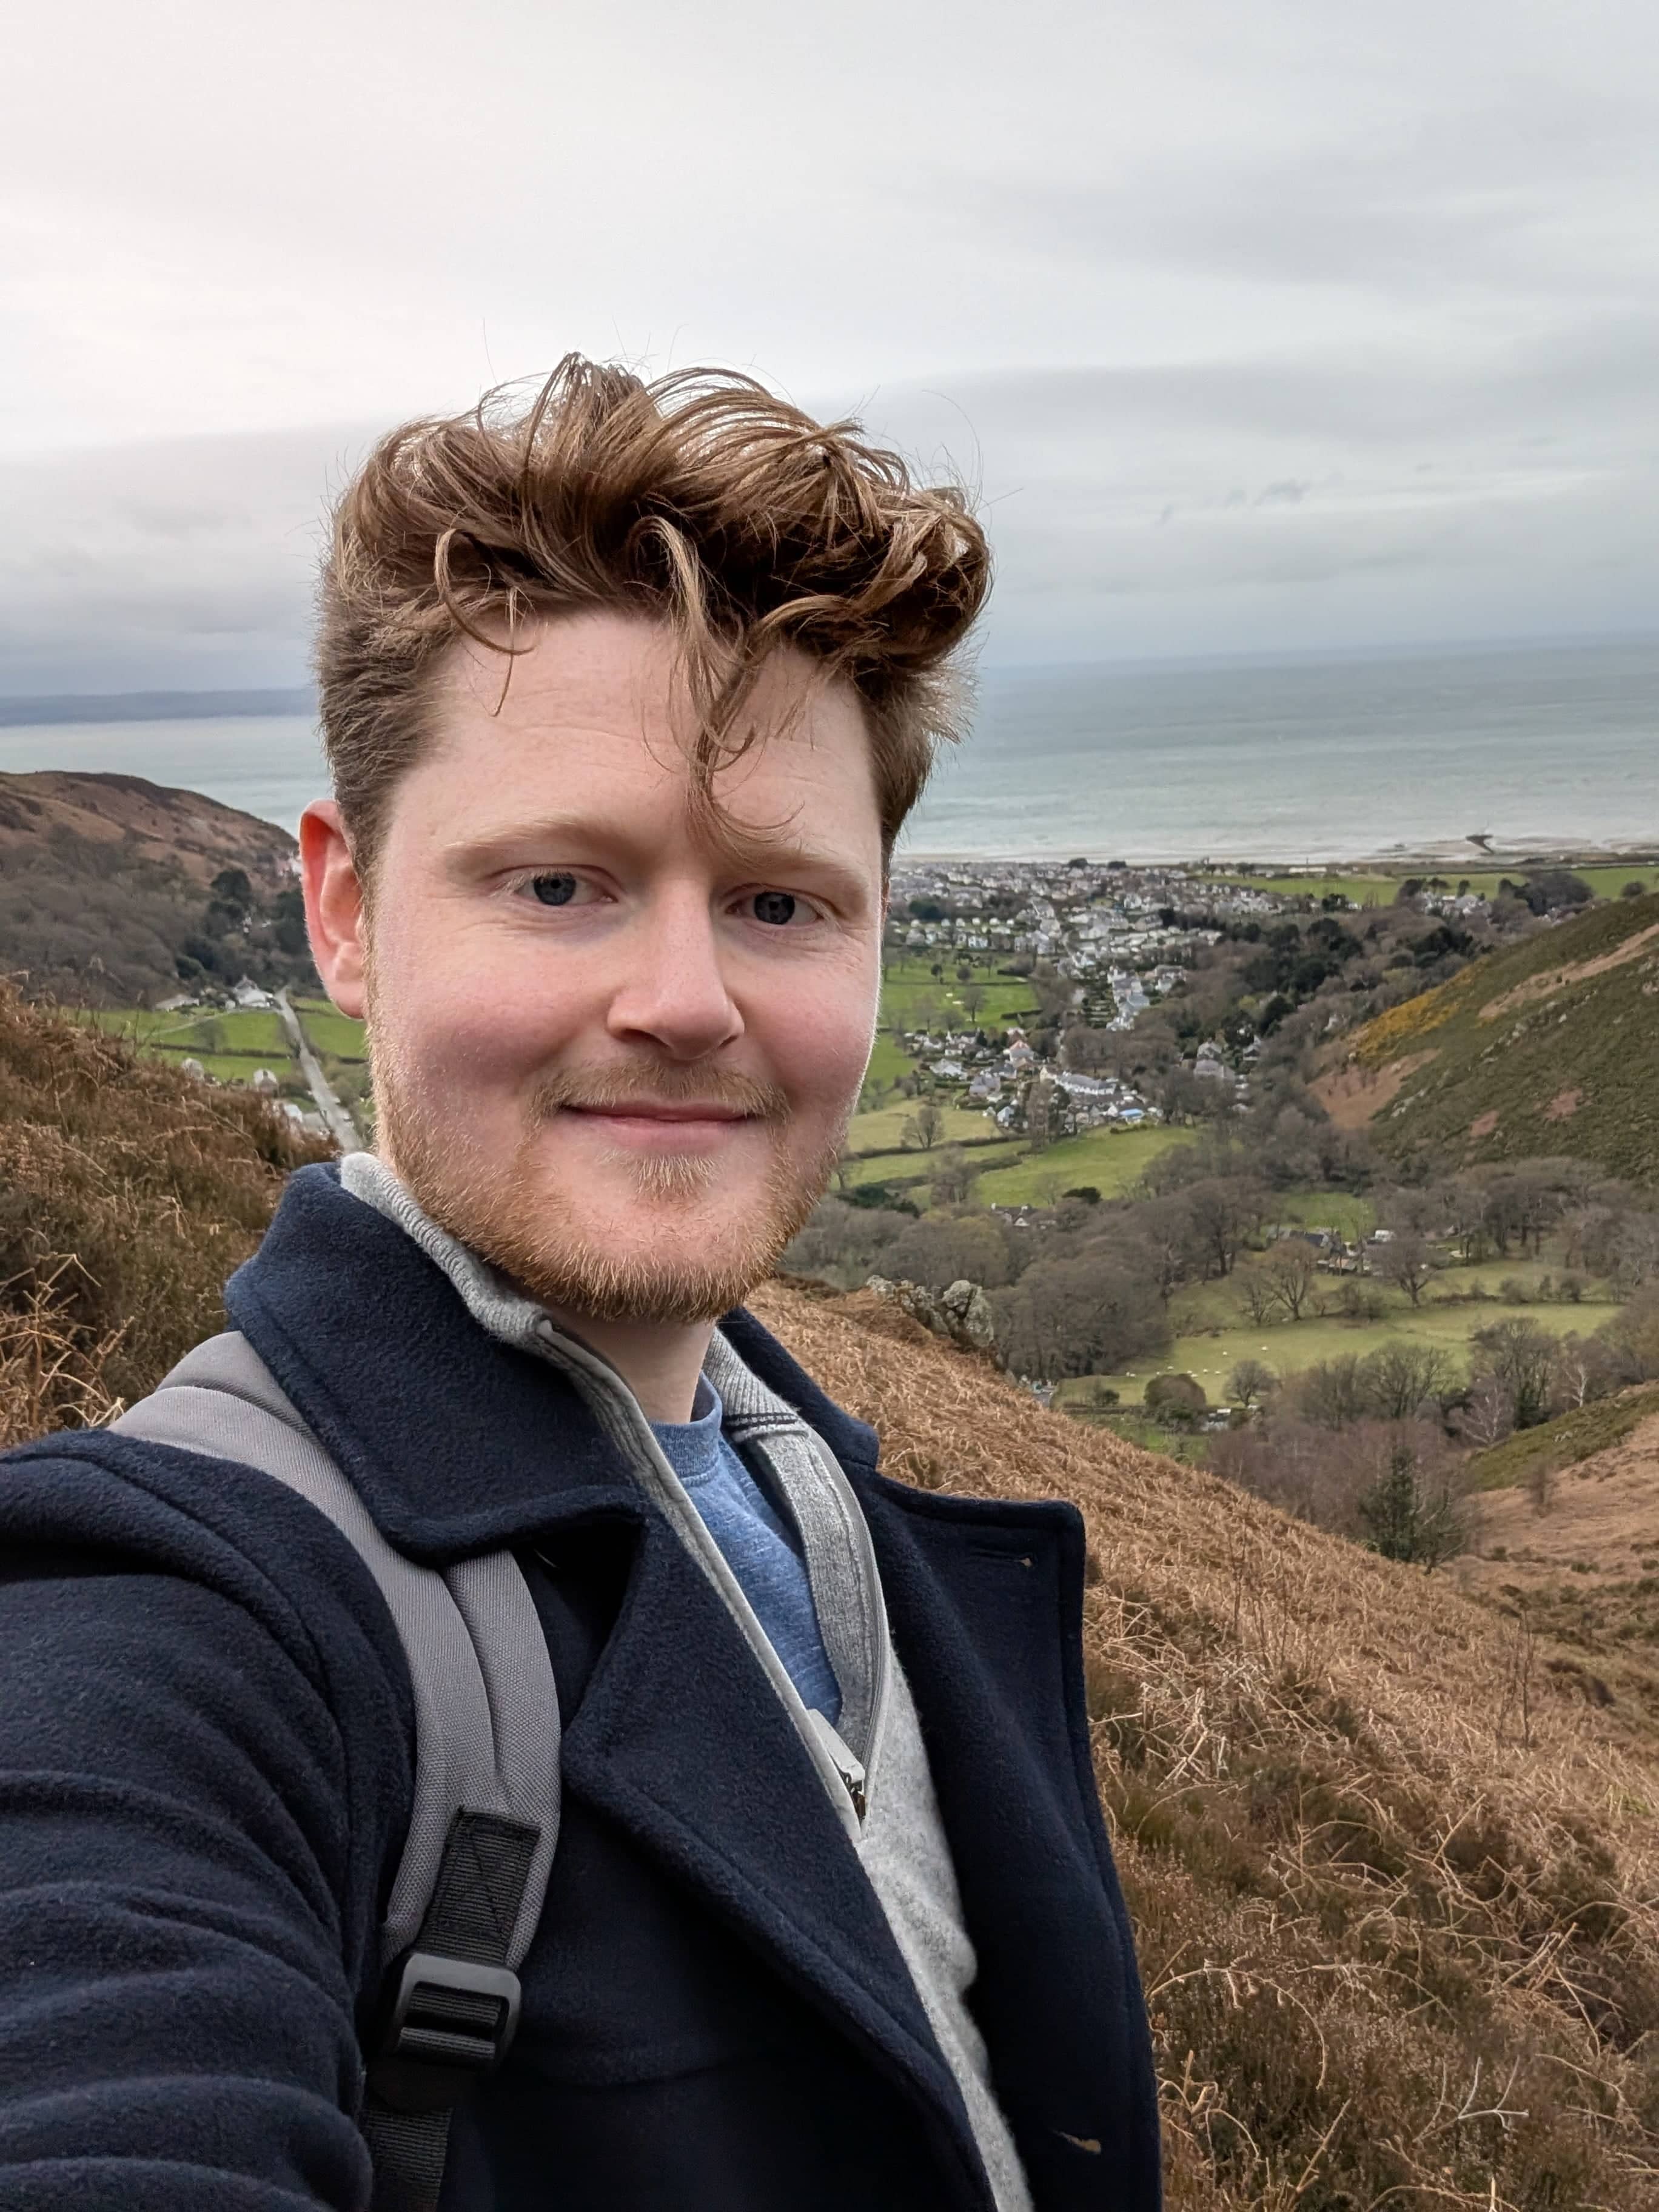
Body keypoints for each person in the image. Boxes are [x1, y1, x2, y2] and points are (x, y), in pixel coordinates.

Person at [0, 360, 1159, 2211]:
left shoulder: (820, 1494)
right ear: (350, 912)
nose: (687, 1000)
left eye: (783, 901)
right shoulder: (168, 1618)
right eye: (559, 884)